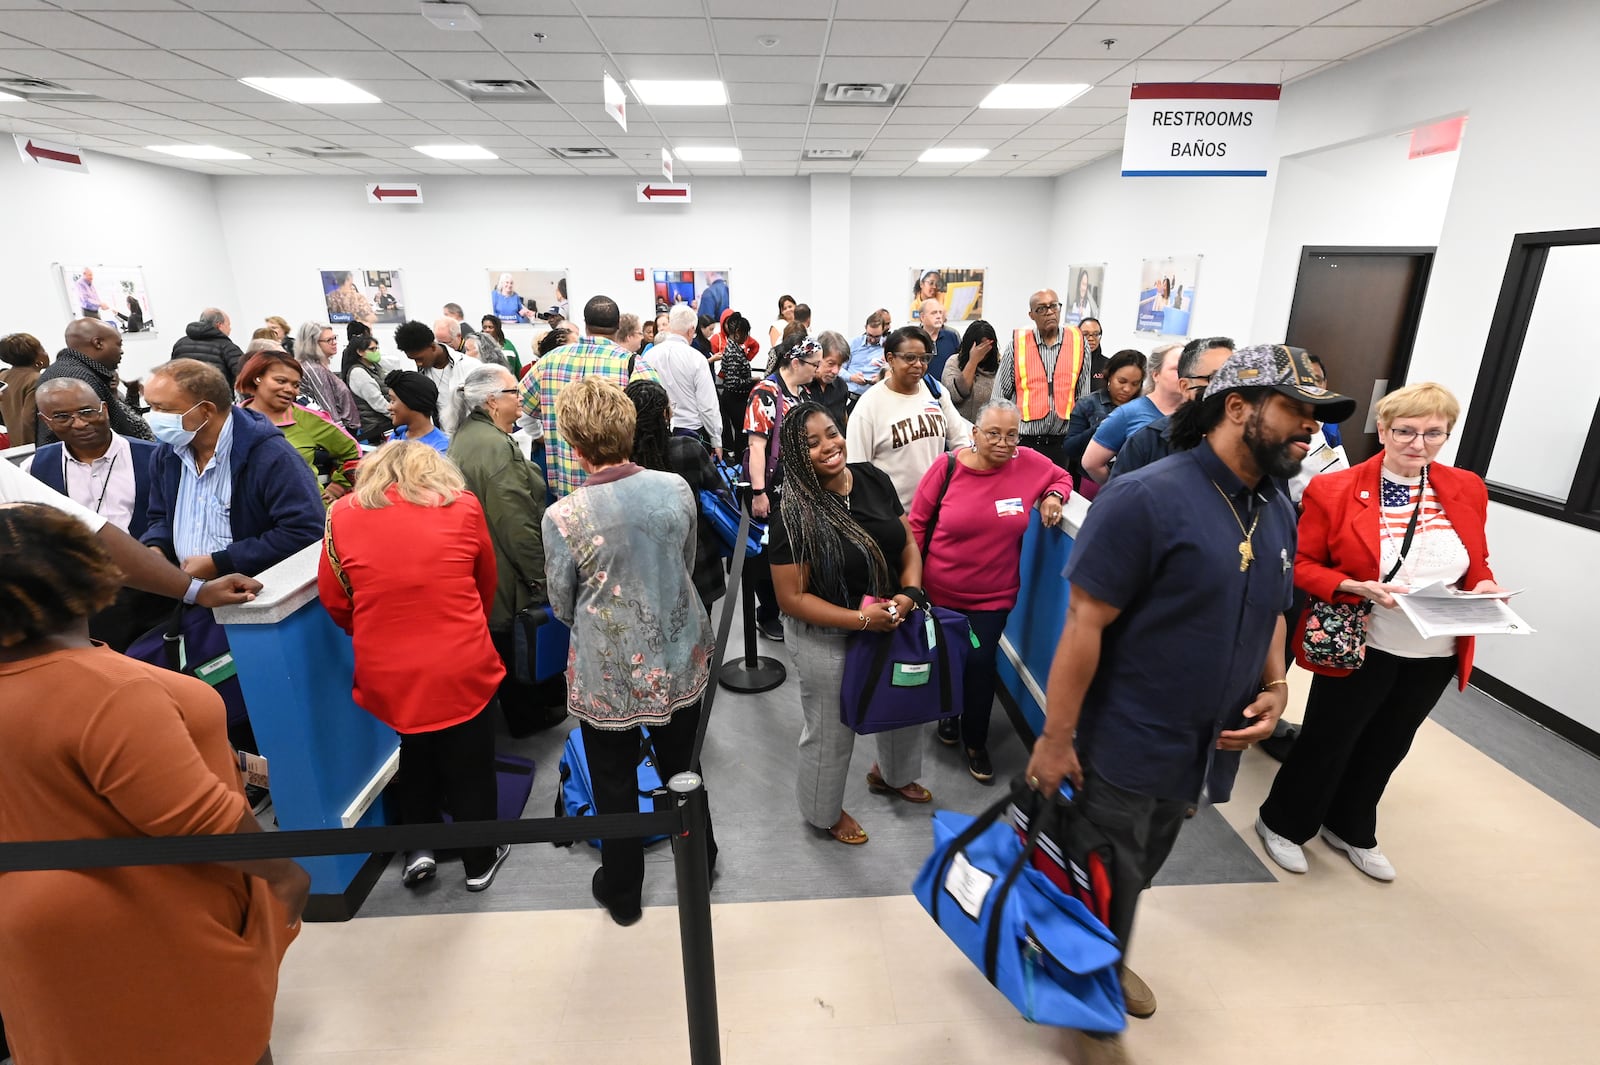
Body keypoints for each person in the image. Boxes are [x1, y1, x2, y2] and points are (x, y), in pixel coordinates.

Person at [1023, 346, 1355, 1061]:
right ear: (1238, 408)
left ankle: (1102, 954)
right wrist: (1055, 737)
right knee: (1102, 871)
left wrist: (1275, 685)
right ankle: (1090, 1012)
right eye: (1298, 412)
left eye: (1317, 417)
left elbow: (1271, 606)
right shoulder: (1147, 496)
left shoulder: (1274, 504)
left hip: (1205, 744)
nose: (1312, 430)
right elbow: (1083, 623)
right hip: (1126, 738)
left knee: (1141, 866)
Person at [0, 504, 308, 1065]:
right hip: (149, 918)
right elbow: (201, 819)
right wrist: (285, 874)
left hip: (30, 933)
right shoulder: (105, 690)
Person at [1256, 382, 1500, 883]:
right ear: (1383, 430)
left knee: (1390, 742)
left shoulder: (1466, 487)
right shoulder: (1336, 489)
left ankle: (1349, 826)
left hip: (1435, 646)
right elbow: (1299, 564)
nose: (1418, 443)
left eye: (1434, 433)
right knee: (1330, 739)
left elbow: (1475, 560)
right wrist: (1350, 584)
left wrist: (1485, 584)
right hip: (1363, 640)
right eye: (1406, 431)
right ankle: (1282, 822)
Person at [543, 378, 716, 925]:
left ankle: (623, 893)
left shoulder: (564, 516)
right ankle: (701, 862)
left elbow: (562, 602)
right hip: (678, 646)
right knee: (684, 768)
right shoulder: (674, 489)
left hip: (610, 666)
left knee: (613, 783)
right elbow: (685, 563)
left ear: (574, 445)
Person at [318, 442, 511, 892]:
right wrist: (466, 624)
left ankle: (418, 848)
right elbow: (485, 580)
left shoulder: (341, 516)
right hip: (459, 656)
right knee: (471, 761)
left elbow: (335, 599)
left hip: (386, 664)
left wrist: (374, 633)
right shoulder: (461, 505)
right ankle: (480, 858)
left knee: (414, 751)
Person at [768, 401, 933, 845]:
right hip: (829, 633)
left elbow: (907, 543)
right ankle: (822, 812)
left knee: (902, 705)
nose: (829, 446)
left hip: (892, 617)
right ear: (796, 455)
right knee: (831, 730)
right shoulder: (794, 511)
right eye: (812, 443)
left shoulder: (873, 478)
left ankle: (894, 775)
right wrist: (862, 619)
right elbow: (791, 597)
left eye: (832, 433)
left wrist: (909, 594)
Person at [909, 398, 1071, 782]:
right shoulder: (946, 467)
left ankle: (975, 741)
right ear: (975, 433)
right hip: (940, 591)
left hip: (992, 598)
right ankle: (949, 715)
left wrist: (1053, 496)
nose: (1003, 443)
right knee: (948, 660)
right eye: (994, 433)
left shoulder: (1028, 464)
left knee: (980, 665)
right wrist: (910, 585)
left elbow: (1062, 477)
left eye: (1012, 435)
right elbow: (916, 525)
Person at [448, 364, 565, 737]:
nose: (521, 399)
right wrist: (540, 577)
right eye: (515, 392)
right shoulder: (496, 449)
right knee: (520, 650)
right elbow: (516, 525)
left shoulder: (470, 436)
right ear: (492, 401)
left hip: (488, 563)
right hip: (507, 572)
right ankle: (530, 719)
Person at [26, 378, 165, 648]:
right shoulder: (36, 467)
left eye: (87, 412)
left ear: (104, 409)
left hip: (152, 590)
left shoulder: (154, 457)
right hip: (84, 597)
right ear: (46, 421)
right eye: (62, 416)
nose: (79, 423)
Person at [523, 294, 654, 499]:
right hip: (617, 492)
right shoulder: (635, 366)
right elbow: (656, 419)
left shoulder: (548, 361)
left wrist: (541, 434)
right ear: (618, 325)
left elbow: (521, 403)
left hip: (566, 493)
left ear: (585, 324)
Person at [845, 325, 973, 510]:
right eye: (910, 358)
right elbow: (858, 470)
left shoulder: (935, 392)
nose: (919, 365)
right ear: (891, 359)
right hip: (892, 515)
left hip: (934, 510)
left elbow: (960, 445)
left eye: (924, 358)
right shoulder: (869, 405)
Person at [626, 378, 726, 613]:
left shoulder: (623, 457)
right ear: (666, 413)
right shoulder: (688, 448)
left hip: (643, 562)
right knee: (701, 630)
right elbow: (720, 492)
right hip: (697, 560)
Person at [745, 335, 821, 641]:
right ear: (795, 362)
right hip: (773, 490)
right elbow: (756, 446)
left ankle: (787, 606)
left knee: (794, 551)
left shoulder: (801, 394)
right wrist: (759, 492)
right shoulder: (766, 392)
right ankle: (767, 614)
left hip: (799, 490)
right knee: (767, 556)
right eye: (813, 365)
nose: (816, 370)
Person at [235, 351, 360, 506]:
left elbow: (353, 452)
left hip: (305, 515)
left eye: (296, 385)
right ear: (257, 378)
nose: (290, 390)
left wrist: (337, 487)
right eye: (281, 381)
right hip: (248, 519)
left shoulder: (309, 419)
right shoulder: (232, 421)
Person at [1111, 337, 1236, 481]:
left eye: (1233, 377)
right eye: (1215, 378)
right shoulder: (1149, 442)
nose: (1228, 387)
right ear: (1185, 387)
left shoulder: (1251, 445)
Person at [996, 289, 1089, 470]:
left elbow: (1083, 397)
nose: (1049, 312)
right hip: (1025, 441)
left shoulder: (1078, 343)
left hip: (1061, 443)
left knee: (1055, 493)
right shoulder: (1018, 344)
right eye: (1041, 309)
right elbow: (999, 397)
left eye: (1053, 306)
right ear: (1031, 315)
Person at [1080, 341, 1186, 484]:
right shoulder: (1129, 413)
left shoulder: (1196, 413)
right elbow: (1091, 463)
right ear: (1156, 374)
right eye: (1176, 368)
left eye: (1190, 367)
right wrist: (1119, 487)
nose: (1185, 373)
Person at [35, 318, 152, 444]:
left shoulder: (80, 372)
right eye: (119, 344)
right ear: (98, 343)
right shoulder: (76, 381)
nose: (121, 351)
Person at [641, 304, 722, 452]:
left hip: (658, 432)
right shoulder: (697, 359)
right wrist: (716, 439)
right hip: (691, 434)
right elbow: (708, 405)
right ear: (691, 330)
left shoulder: (648, 356)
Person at [1064, 348, 1146, 478]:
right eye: (1122, 381)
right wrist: (1102, 428)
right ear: (1109, 376)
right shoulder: (1088, 403)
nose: (1127, 389)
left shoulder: (1143, 407)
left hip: (1132, 479)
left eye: (1135, 384)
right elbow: (1070, 448)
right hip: (1092, 480)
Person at [394, 319, 481, 434]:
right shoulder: (421, 375)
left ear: (433, 347)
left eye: (419, 358)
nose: (417, 364)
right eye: (413, 359)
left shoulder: (471, 366)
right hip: (441, 438)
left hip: (471, 436)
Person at [291, 321, 362, 436]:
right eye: (329, 340)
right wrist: (344, 439)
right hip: (341, 433)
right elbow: (328, 409)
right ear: (312, 344)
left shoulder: (317, 366)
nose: (334, 343)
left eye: (334, 338)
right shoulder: (314, 369)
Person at [940, 318, 999, 423]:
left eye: (987, 346)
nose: (984, 351)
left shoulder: (998, 367)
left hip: (986, 429)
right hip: (958, 428)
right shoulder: (954, 362)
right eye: (981, 346)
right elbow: (954, 395)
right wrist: (973, 361)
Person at [716, 311, 756, 455]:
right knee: (741, 435)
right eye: (746, 334)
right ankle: (740, 463)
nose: (747, 338)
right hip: (735, 399)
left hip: (737, 398)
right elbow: (734, 383)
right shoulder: (733, 351)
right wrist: (753, 381)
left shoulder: (733, 348)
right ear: (739, 333)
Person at [339, 333, 391, 444]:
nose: (376, 352)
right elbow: (377, 402)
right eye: (372, 349)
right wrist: (397, 415)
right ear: (360, 352)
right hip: (376, 427)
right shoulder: (358, 373)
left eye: (377, 348)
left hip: (385, 421)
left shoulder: (375, 367)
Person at [171, 308, 246, 384]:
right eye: (228, 325)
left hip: (184, 393)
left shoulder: (180, 344)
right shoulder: (227, 347)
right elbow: (245, 374)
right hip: (216, 394)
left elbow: (172, 371)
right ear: (219, 325)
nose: (230, 329)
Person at [0, 331, 48, 446]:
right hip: (34, 446)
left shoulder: (3, 376)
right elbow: (30, 418)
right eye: (42, 349)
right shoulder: (36, 380)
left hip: (15, 445)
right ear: (36, 355)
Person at [385, 370, 448, 452]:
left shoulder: (440, 447)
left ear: (412, 402)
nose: (388, 407)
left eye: (393, 400)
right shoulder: (397, 435)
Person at [808, 330, 852, 428]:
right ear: (817, 358)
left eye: (840, 365)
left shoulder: (841, 386)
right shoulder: (802, 386)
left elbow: (844, 421)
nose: (835, 371)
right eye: (830, 364)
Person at [844, 309, 890, 399]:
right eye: (870, 335)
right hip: (850, 397)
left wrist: (881, 377)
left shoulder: (888, 347)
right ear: (865, 327)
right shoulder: (853, 343)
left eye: (877, 336)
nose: (872, 340)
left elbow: (894, 372)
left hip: (874, 397)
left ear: (883, 330)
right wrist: (851, 377)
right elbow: (839, 369)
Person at [918, 297, 960, 379]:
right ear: (922, 317)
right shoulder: (914, 338)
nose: (938, 316)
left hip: (946, 389)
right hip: (922, 388)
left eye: (940, 313)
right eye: (934, 313)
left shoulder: (952, 336)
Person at [1080, 317, 1108, 386]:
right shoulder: (1068, 362)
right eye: (1085, 334)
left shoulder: (1108, 365)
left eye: (1096, 334)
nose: (1091, 338)